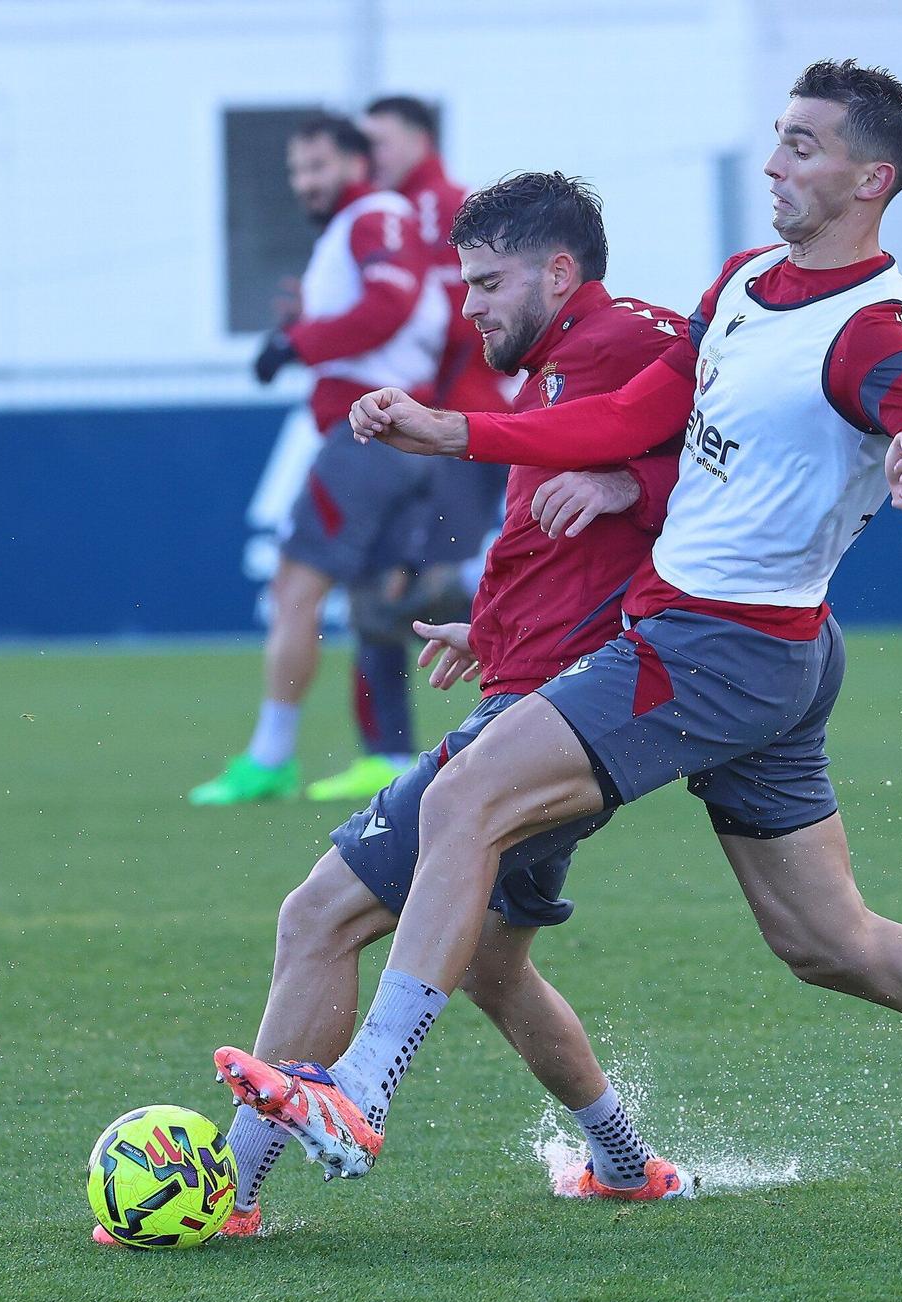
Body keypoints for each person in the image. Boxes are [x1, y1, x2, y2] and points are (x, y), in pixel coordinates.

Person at [222, 60, 902, 1209]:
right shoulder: (746, 280)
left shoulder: (871, 330)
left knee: (464, 801)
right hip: (763, 657)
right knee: (830, 942)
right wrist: (459, 434)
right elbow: (642, 415)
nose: (774, 161)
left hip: (714, 652)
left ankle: (362, 1093)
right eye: (778, 138)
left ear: (868, 177)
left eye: (801, 144)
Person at [184, 172, 697, 1242]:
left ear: (559, 271)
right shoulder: (588, 350)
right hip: (546, 692)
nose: (466, 306)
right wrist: (496, 627)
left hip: (553, 720)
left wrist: (624, 487)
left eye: (484, 281)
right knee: (494, 967)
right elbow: (622, 499)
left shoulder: (616, 348)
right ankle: (623, 1162)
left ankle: (221, 1194)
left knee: (318, 914)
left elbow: (734, 460)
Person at [188, 116, 447, 808]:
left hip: (368, 433)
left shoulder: (374, 214)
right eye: (297, 171)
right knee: (374, 603)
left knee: (294, 592)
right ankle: (390, 754)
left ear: (358, 163)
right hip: (398, 435)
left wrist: (295, 343)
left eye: (319, 166)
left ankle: (270, 755)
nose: (306, 182)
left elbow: (387, 306)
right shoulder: (362, 224)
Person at [295, 96, 512, 806]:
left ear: (420, 138)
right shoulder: (377, 219)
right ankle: (385, 751)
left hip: (465, 427)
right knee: (378, 589)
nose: (371, 152)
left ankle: (522, 716)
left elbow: (477, 322)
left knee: (435, 585)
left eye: (381, 141)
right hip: (410, 423)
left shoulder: (461, 213)